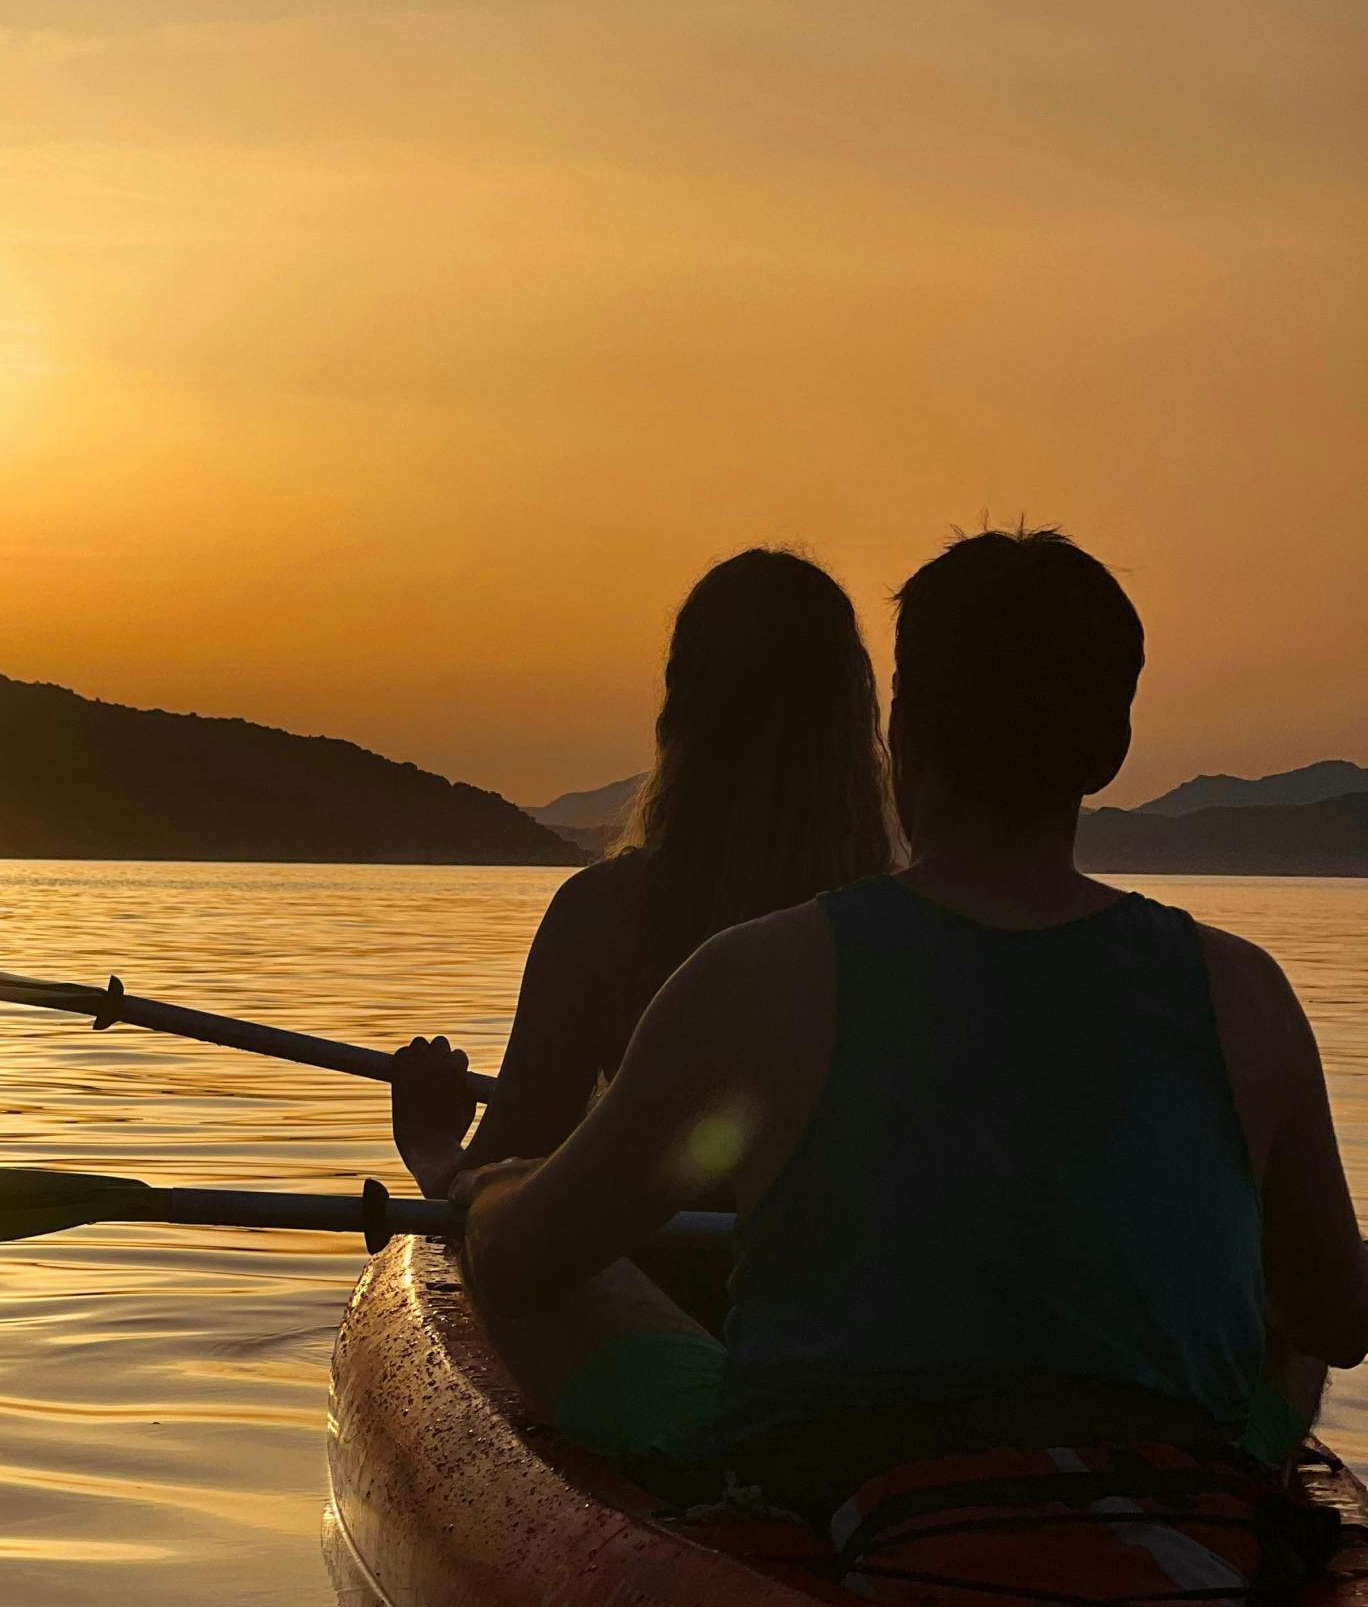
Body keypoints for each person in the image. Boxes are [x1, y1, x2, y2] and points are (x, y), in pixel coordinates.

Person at [454, 527, 1366, 1526]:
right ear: (1111, 751)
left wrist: (484, 1190)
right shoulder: (1244, 995)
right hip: (1175, 1497)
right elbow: (1339, 1319)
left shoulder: (761, 978)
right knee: (1286, 1308)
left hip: (846, 1506)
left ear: (905, 729)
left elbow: (523, 1266)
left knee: (506, 1222)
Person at [391, 546, 891, 1461]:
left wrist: (433, 1149)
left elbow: (499, 1198)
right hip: (863, 1364)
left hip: (691, 1385)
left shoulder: (606, 915)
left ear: (678, 713)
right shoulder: (899, 929)